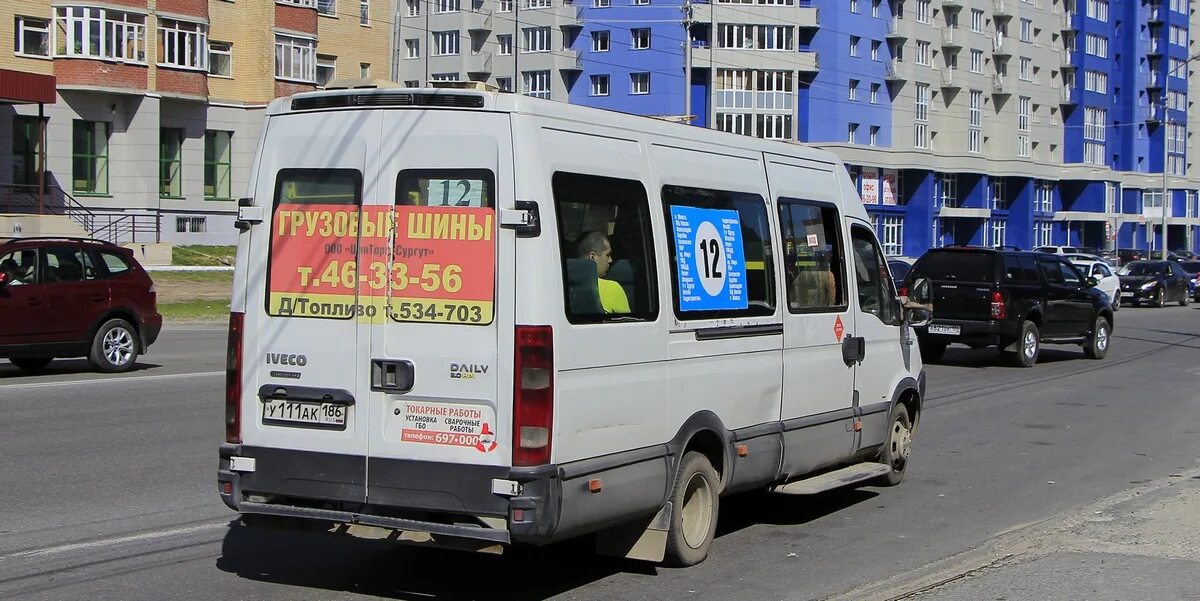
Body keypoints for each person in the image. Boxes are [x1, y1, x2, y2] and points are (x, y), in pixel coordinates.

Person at [577, 230, 631, 314]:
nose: (610, 260)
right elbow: (627, 325)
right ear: (592, 257)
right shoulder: (613, 289)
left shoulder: (565, 287)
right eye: (607, 255)